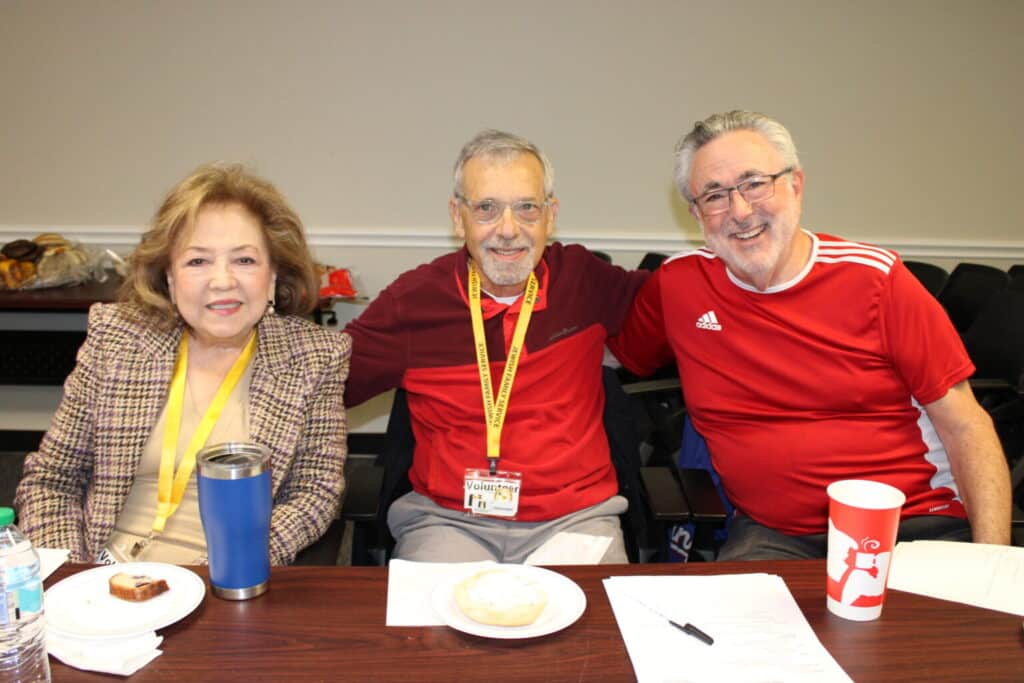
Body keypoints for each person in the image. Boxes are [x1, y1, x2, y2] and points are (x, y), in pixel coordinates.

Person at [609, 110, 1011, 560]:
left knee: (940, 631)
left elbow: (967, 425)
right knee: (737, 628)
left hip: (910, 524)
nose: (740, 211)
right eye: (715, 195)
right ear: (696, 213)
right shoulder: (678, 285)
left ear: (795, 185)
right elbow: (620, 353)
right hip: (772, 534)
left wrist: (990, 563)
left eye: (755, 183)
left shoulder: (877, 280)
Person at [15, 164, 350, 566]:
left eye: (244, 260)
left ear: (274, 273)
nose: (222, 281)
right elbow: (51, 480)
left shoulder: (316, 356)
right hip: (103, 575)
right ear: (169, 278)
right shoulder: (117, 338)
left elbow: (315, 492)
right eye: (197, 262)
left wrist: (237, 564)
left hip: (230, 580)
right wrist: (74, 574)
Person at [344, 129, 648, 563]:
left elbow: (676, 303)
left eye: (527, 207)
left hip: (575, 519)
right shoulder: (414, 302)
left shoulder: (585, 281)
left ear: (550, 214)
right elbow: (326, 381)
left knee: (590, 631)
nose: (508, 230)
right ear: (457, 216)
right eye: (487, 208)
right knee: (435, 630)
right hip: (448, 521)